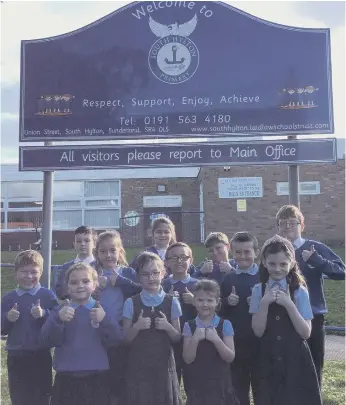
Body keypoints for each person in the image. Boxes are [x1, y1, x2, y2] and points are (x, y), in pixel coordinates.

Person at [276, 204, 345, 386]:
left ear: (302, 225)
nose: (288, 226)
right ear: (278, 227)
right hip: (283, 317)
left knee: (314, 369)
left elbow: (341, 272)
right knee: (287, 371)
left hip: (313, 317)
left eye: (293, 222)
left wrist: (317, 260)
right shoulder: (274, 251)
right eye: (283, 223)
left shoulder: (314, 248)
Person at [249, 235, 322, 405]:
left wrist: (289, 304)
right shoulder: (258, 291)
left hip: (295, 359)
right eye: (272, 264)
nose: (277, 269)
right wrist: (265, 302)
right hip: (267, 359)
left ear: (291, 264)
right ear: (264, 263)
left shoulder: (299, 291)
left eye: (283, 264)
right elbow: (258, 331)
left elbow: (305, 332)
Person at [40, 262, 122, 405]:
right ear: (67, 286)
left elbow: (117, 340)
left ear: (94, 284)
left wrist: (104, 320)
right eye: (74, 282)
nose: (80, 286)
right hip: (66, 378)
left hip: (97, 378)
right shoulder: (60, 311)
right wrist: (59, 319)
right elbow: (46, 340)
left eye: (85, 281)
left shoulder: (102, 310)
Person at [123, 251, 183, 405]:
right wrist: (137, 327)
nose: (151, 278)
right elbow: (125, 339)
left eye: (155, 273)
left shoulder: (172, 302)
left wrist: (167, 327)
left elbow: (177, 337)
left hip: (164, 366)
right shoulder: (131, 303)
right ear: (138, 276)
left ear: (163, 273)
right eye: (145, 274)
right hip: (139, 366)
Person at [1, 250, 59, 405]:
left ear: (41, 272)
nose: (29, 277)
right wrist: (8, 318)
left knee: (42, 396)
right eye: (24, 272)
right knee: (20, 396)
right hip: (16, 355)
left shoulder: (47, 296)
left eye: (34, 272)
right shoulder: (9, 298)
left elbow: (57, 320)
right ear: (16, 273)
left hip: (40, 354)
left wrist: (44, 314)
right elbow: (2, 329)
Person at [93, 230, 141, 404]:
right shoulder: (92, 272)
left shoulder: (127, 272)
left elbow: (139, 291)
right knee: (101, 370)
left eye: (113, 250)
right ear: (96, 253)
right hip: (97, 329)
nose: (108, 255)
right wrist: (94, 288)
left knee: (120, 369)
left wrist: (120, 281)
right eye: (103, 251)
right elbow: (77, 293)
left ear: (120, 251)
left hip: (122, 328)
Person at [183, 279, 238, 405]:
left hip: (221, 385)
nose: (205, 304)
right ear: (194, 301)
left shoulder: (225, 324)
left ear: (217, 302)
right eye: (200, 300)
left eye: (209, 300)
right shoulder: (189, 326)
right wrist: (195, 338)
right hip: (198, 385)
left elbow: (230, 357)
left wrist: (216, 339)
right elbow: (187, 358)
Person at [220, 232, 260, 405]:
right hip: (236, 341)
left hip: (260, 341)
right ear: (232, 253)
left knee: (261, 386)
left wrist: (260, 302)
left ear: (256, 253)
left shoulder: (264, 277)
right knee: (237, 387)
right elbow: (218, 308)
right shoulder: (229, 278)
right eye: (238, 252)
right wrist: (227, 302)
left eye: (247, 252)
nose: (243, 256)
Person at [162, 242, 198, 384]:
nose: (179, 261)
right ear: (166, 262)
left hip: (194, 340)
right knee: (171, 382)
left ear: (191, 260)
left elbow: (212, 311)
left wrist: (195, 301)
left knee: (194, 383)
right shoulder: (162, 285)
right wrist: (167, 301)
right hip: (169, 341)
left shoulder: (198, 284)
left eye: (184, 257)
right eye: (174, 258)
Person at [55, 226, 97, 299]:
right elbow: (60, 291)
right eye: (78, 241)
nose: (82, 244)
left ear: (94, 244)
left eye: (87, 241)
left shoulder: (99, 266)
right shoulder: (66, 267)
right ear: (74, 244)